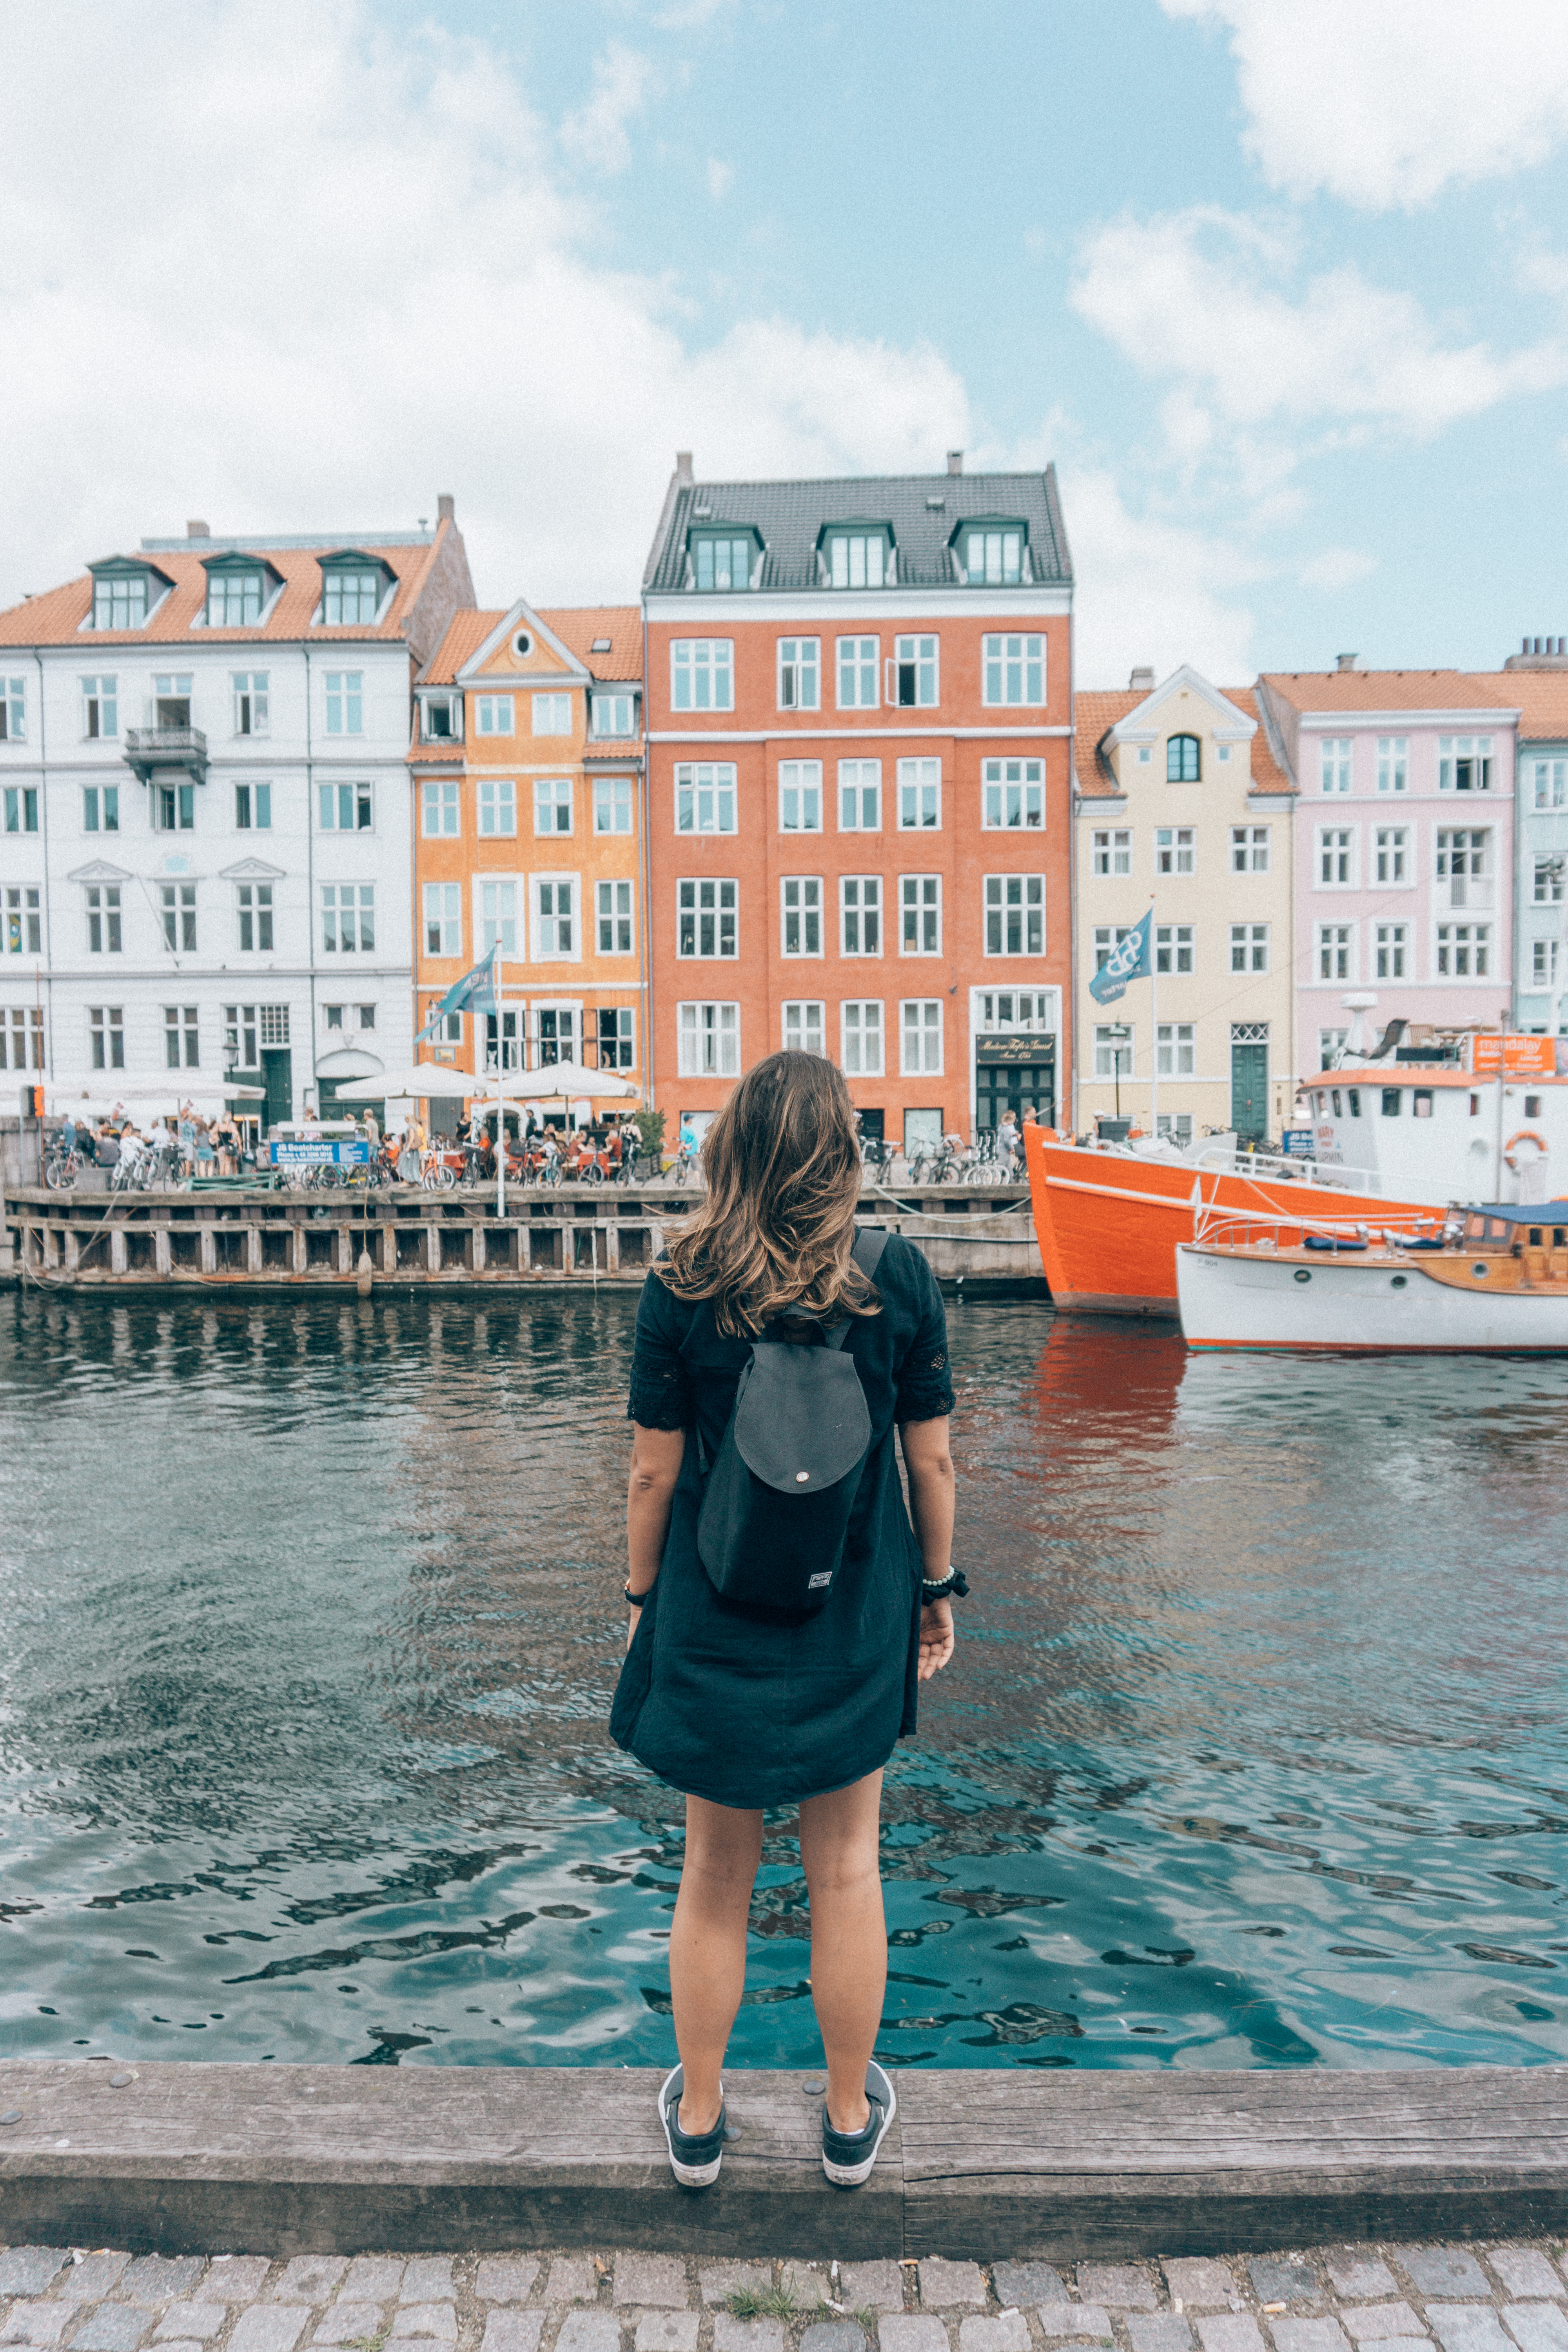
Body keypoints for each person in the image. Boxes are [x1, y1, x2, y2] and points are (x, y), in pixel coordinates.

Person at [612, 1051, 962, 2193]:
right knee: (849, 1868)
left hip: (713, 1607)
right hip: (853, 1607)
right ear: (844, 1156)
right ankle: (850, 2120)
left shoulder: (683, 1281)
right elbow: (934, 1462)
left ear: (734, 1151)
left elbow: (650, 1480)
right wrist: (935, 1590)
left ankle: (703, 2120)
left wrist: (638, 1604)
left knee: (713, 1873)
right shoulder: (896, 1277)